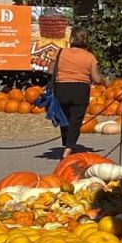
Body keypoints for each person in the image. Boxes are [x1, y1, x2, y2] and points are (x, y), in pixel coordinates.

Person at [49, 27, 105, 158]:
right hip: (80, 89)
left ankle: (66, 143)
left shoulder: (60, 52)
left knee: (64, 117)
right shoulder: (90, 57)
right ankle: (68, 148)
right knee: (76, 120)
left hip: (61, 88)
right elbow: (96, 78)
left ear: (71, 39)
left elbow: (50, 71)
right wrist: (105, 82)